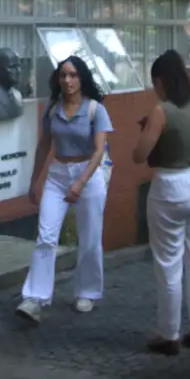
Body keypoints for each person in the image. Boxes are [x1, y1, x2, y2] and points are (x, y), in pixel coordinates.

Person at [132, 50, 190, 356]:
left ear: (161, 81)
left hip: (170, 188)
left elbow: (139, 155)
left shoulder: (161, 110)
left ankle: (169, 334)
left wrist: (149, 130)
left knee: (169, 263)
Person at [17, 56, 112, 324]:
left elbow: (98, 151)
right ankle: (34, 297)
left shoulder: (95, 109)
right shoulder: (52, 108)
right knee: (46, 235)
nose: (67, 81)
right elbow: (44, 145)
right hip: (58, 174)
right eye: (63, 76)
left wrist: (80, 182)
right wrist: (34, 180)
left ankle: (88, 291)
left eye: (73, 75)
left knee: (90, 237)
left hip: (89, 175)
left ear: (82, 79)